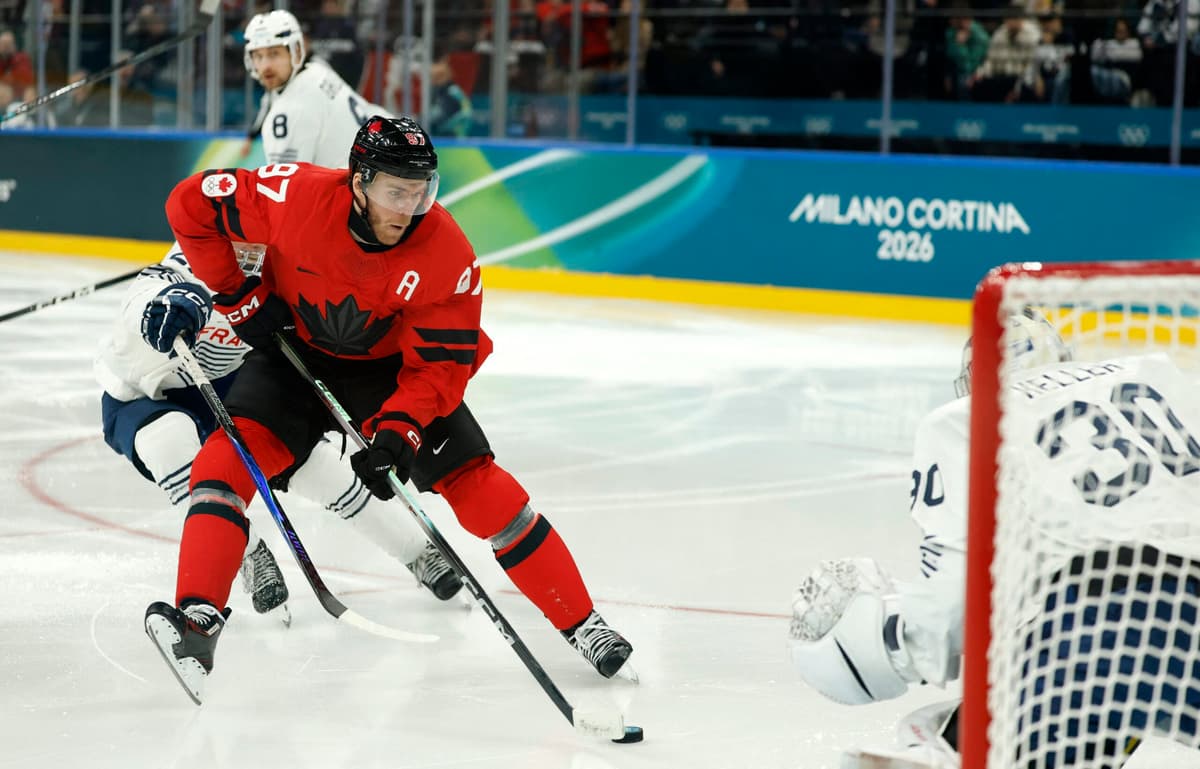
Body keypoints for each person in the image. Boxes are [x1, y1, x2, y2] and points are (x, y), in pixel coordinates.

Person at [143, 115, 635, 703]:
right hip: (293, 352)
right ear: (359, 181)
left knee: (484, 492)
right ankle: (198, 622)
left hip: (392, 373)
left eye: (421, 191)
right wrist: (238, 294)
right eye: (395, 192)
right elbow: (190, 204)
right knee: (224, 463)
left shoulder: (446, 252)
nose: (409, 208)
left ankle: (584, 624)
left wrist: (402, 430)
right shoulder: (294, 196)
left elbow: (439, 366)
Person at [788, 309, 1200, 768]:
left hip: (1102, 628)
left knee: (939, 736)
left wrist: (884, 637)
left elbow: (951, 609)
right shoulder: (1156, 374)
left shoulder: (965, 419)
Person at [243, 8, 383, 166]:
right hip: (383, 158)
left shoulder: (290, 110)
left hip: (370, 173)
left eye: (274, 53)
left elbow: (287, 180)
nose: (265, 66)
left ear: (296, 52)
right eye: (258, 56)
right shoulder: (318, 69)